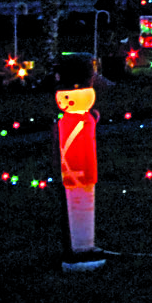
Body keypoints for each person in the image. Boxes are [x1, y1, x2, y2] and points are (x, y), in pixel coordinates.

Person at [54, 53, 106, 271]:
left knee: (82, 209)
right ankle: (81, 247)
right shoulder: (74, 121)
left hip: (82, 175)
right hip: (77, 176)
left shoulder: (79, 120)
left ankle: (84, 245)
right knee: (78, 209)